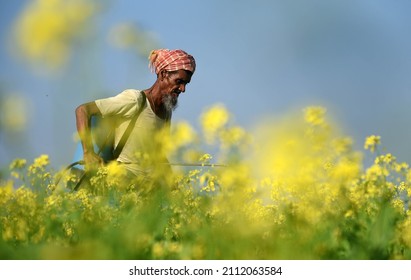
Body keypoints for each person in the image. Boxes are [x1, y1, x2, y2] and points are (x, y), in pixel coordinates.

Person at [75, 49, 196, 189]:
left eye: (186, 84)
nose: (182, 89)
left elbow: (159, 153)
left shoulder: (167, 111)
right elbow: (83, 110)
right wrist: (88, 152)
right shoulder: (135, 100)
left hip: (148, 189)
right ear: (163, 74)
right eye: (179, 82)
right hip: (122, 183)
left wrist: (173, 186)